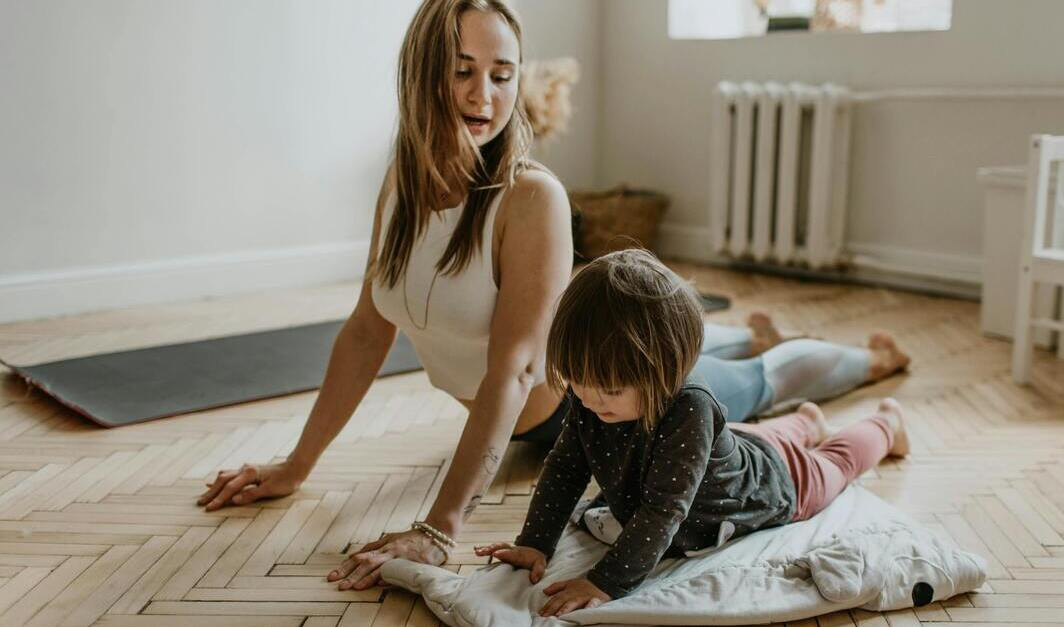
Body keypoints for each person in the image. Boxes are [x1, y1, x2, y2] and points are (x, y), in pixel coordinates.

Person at [196, 0, 910, 592]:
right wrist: (296, 465)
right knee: (730, 365)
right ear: (421, 75)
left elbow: (512, 372)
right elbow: (364, 331)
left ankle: (865, 362)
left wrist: (439, 527)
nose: (485, 96)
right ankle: (748, 338)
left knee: (754, 382)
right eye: (463, 72)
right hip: (579, 393)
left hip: (594, 405)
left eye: (503, 76)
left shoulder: (530, 198)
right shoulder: (401, 187)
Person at [475, 250, 909, 617]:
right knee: (759, 437)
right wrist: (535, 542)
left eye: (608, 390)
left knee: (835, 462)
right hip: (735, 444)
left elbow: (664, 510)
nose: (588, 400)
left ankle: (886, 424)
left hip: (775, 482)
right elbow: (566, 468)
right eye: (577, 382)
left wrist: (605, 581)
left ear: (666, 371)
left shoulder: (690, 408)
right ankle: (808, 421)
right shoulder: (592, 396)